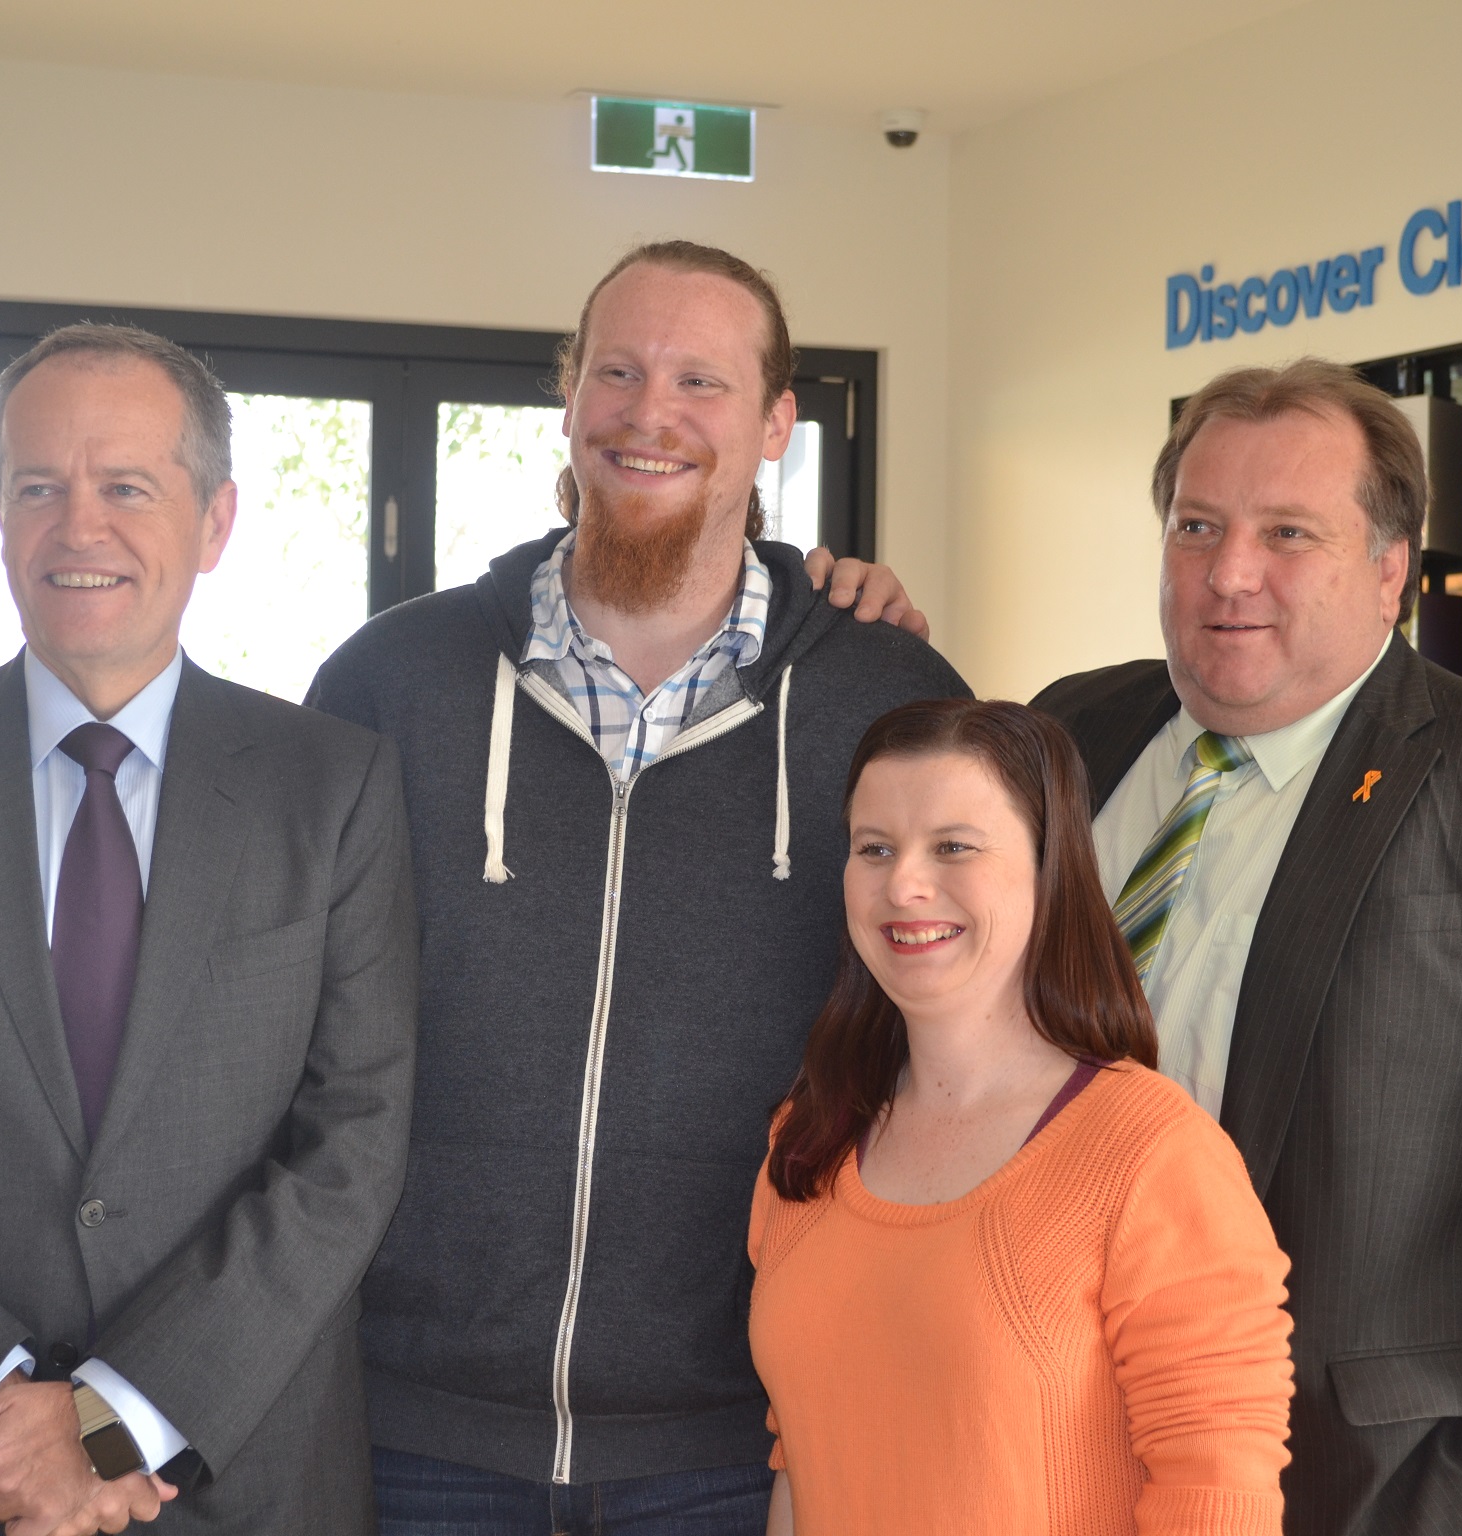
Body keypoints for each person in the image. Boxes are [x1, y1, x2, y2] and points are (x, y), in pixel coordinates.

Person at [305, 240, 967, 1535]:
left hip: (740, 1437)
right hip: (417, 1434)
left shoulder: (889, 706)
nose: (649, 413)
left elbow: (951, 1042)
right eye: (616, 370)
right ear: (568, 395)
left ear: (777, 423)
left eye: (701, 383)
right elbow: (290, 1031)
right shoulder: (391, 683)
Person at [0, 323, 419, 1535]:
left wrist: (114, 1419)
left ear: (215, 523)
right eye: (37, 487)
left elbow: (351, 1147)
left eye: (127, 488)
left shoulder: (334, 787)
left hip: (235, 1475)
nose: (78, 527)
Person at [1031, 358, 1462, 1536]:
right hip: (1039, 1438)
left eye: (1288, 532)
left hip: (1355, 1482)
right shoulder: (1065, 731)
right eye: (1196, 525)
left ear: (1390, 569)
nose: (1228, 573)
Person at [748, 698, 1294, 1536]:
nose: (904, 884)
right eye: (874, 849)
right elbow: (804, 1461)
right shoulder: (807, 1138)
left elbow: (1217, 1491)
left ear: (1049, 868)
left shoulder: (1152, 1153)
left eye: (954, 847)